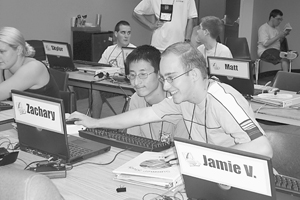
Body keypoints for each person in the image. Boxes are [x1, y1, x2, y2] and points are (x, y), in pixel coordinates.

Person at [68, 42, 273, 160]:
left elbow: (263, 148)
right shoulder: (183, 98)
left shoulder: (222, 100)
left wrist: (197, 155)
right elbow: (141, 115)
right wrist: (94, 122)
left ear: (193, 75)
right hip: (212, 174)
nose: (165, 86)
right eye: (164, 79)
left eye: (171, 78)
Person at [125, 45, 188, 142]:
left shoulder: (178, 102)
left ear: (159, 74)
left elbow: (179, 150)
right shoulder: (136, 99)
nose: (136, 82)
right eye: (132, 75)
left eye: (143, 74)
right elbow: (133, 141)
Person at [133, 0, 198, 51]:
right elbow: (137, 12)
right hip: (158, 45)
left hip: (178, 45)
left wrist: (187, 40)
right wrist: (151, 25)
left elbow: (192, 17)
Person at [0, 27, 60, 100]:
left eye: (2, 51)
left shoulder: (34, 68)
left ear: (19, 50)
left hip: (47, 111)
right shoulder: (5, 67)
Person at [91, 21, 135, 118]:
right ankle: (94, 123)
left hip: (127, 87)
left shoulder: (135, 51)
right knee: (95, 89)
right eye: (123, 32)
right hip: (110, 85)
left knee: (133, 96)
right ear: (116, 34)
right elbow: (100, 68)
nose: (126, 36)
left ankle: (125, 128)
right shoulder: (109, 50)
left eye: (129, 33)